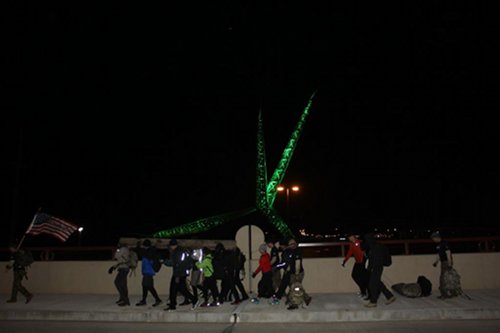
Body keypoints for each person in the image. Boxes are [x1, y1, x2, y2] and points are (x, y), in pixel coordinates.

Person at [274, 238, 312, 310]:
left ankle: (295, 304)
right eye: (290, 244)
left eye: (292, 243)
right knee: (295, 287)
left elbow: (297, 265)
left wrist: (296, 276)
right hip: (292, 273)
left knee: (295, 288)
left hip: (296, 274)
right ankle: (306, 298)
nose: (291, 245)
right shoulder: (289, 251)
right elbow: (286, 263)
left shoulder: (297, 251)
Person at [363, 233, 396, 307]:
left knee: (372, 285)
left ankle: (373, 302)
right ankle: (390, 296)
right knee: (378, 283)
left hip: (376, 267)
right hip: (377, 267)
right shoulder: (375, 245)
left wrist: (370, 268)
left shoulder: (375, 247)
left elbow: (374, 260)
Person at [164, 239, 197, 311]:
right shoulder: (182, 250)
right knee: (181, 289)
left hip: (179, 273)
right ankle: (193, 299)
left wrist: (177, 276)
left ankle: (173, 305)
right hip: (183, 273)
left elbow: (178, 264)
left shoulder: (177, 252)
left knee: (173, 289)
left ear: (172, 246)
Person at [431, 231, 462, 299]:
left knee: (445, 279)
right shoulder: (438, 245)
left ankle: (446, 294)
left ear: (437, 237)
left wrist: (450, 263)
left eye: (433, 239)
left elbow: (448, 253)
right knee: (443, 278)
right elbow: (439, 254)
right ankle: (444, 293)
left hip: (446, 262)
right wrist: (436, 262)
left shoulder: (444, 243)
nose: (433, 240)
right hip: (442, 262)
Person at [135, 239, 162, 307]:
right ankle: (144, 300)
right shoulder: (149, 251)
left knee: (149, 287)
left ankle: (157, 299)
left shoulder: (149, 252)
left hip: (148, 271)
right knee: (145, 286)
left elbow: (141, 252)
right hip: (147, 271)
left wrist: (138, 245)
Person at [342, 233, 369, 298]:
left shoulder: (360, 242)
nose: (350, 238)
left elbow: (366, 250)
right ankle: (363, 290)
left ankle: (364, 292)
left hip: (363, 262)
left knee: (362, 277)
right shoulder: (351, 244)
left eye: (351, 237)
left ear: (354, 236)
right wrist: (345, 261)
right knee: (354, 275)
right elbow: (349, 253)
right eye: (349, 238)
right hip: (357, 262)